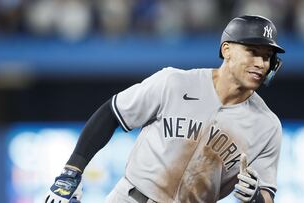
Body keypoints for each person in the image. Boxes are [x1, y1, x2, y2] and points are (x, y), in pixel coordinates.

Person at [45, 15, 285, 203]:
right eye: (253, 52)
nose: (260, 63)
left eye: (267, 57)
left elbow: (267, 195)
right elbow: (112, 112)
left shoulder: (267, 125)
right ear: (227, 50)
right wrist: (72, 170)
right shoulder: (175, 82)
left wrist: (255, 198)